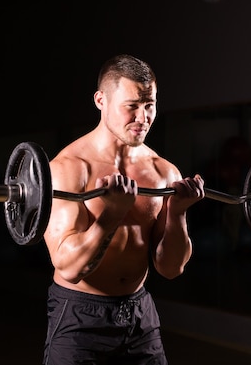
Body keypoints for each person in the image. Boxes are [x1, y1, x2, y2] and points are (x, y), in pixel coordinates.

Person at [42, 54, 205, 364]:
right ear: (101, 100)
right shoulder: (69, 169)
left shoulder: (163, 171)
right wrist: (112, 214)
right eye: (131, 106)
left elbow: (171, 269)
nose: (142, 118)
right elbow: (69, 268)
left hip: (139, 314)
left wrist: (179, 212)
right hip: (79, 315)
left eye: (149, 105)